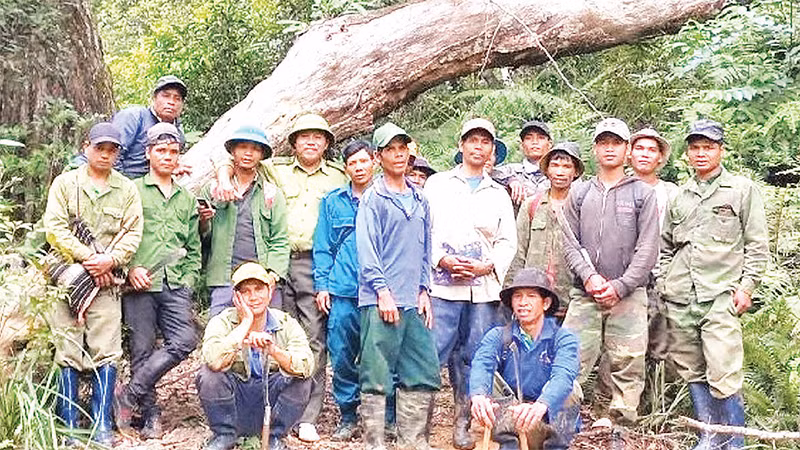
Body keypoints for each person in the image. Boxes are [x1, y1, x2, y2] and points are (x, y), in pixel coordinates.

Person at [213, 113, 346, 441]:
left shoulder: (338, 176)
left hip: (316, 261)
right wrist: (222, 174)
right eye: (304, 136)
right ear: (293, 143)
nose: (311, 142)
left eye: (318, 137)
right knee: (269, 329)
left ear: (327, 143)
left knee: (314, 336)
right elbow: (236, 160)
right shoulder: (276, 169)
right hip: (273, 264)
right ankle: (259, 410)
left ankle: (307, 415)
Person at [659, 120, 768, 449]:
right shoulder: (680, 195)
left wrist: (746, 287)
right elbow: (666, 246)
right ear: (688, 153)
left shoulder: (740, 190)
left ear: (721, 150)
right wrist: (665, 282)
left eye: (708, 147)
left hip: (720, 296)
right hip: (681, 298)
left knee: (724, 371)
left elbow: (757, 245)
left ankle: (734, 443)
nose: (701, 153)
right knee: (692, 370)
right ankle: (709, 438)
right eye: (695, 147)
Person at [44, 122, 143, 446]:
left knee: (107, 351)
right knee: (67, 349)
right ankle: (69, 427)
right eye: (100, 147)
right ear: (86, 147)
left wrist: (110, 261)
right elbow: (55, 229)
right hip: (67, 278)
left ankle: (102, 426)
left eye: (112, 149)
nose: (105, 154)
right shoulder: (65, 184)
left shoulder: (126, 189)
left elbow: (132, 233)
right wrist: (91, 258)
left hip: (106, 283)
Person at [424, 118, 516, 449]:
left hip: (484, 291)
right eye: (472, 140)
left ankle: (462, 422)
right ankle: (419, 427)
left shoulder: (499, 194)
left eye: (485, 142)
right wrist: (443, 260)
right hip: (443, 287)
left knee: (474, 355)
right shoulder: (437, 185)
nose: (478, 147)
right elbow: (425, 230)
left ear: (492, 150)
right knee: (432, 352)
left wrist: (487, 265)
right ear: (461, 145)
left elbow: (508, 241)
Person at [560, 118, 659, 424]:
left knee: (627, 364)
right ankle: (562, 422)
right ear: (595, 149)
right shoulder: (579, 193)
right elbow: (570, 243)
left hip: (628, 296)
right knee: (568, 358)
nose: (610, 148)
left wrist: (621, 286)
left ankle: (619, 426)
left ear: (627, 150)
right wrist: (590, 278)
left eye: (616, 143)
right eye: (604, 143)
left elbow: (648, 248)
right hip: (585, 294)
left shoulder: (642, 193)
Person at [114, 123, 202, 439]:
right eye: (161, 151)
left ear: (179, 156)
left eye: (173, 152)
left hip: (175, 282)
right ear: (148, 153)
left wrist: (189, 280)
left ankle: (129, 394)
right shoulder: (132, 191)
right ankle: (150, 415)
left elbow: (192, 247)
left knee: (185, 341)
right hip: (139, 285)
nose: (167, 156)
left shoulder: (186, 199)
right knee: (141, 350)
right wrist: (130, 269)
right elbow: (118, 236)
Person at [356, 122, 440, 450]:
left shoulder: (420, 199)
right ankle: (374, 443)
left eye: (402, 148)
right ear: (378, 157)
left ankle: (413, 442)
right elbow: (367, 250)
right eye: (390, 149)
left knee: (421, 369)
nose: (398, 155)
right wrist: (382, 292)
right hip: (381, 301)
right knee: (376, 374)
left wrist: (424, 290)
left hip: (413, 300)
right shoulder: (372, 199)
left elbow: (424, 248)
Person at [312, 140, 388, 440]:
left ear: (374, 162)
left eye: (363, 161)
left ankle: (385, 417)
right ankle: (347, 415)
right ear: (346, 168)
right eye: (352, 163)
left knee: (380, 354)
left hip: (379, 293)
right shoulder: (333, 201)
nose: (359, 167)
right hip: (343, 290)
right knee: (342, 354)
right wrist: (322, 286)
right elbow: (323, 247)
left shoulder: (388, 198)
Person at [195, 262, 314, 450]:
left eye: (259, 289)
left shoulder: (285, 323)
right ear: (236, 296)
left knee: (302, 380)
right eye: (246, 291)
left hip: (271, 402)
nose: (253, 297)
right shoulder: (222, 321)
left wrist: (274, 350)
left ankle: (275, 437)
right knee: (209, 375)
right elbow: (214, 360)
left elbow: (306, 365)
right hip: (235, 403)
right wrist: (245, 324)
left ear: (270, 291)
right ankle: (225, 435)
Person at [470, 268, 581, 450]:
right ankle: (508, 444)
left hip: (544, 417)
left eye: (531, 296)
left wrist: (541, 405)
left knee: (570, 391)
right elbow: (482, 364)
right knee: (487, 385)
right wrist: (478, 396)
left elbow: (564, 376)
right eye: (518, 297)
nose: (523, 303)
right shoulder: (498, 336)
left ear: (545, 303)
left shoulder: (563, 338)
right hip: (511, 415)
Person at [202, 125, 289, 317]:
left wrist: (273, 274)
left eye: (256, 149)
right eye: (242, 147)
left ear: (262, 155)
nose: (249, 154)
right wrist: (203, 221)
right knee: (220, 333)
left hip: (262, 279)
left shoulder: (271, 194)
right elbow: (202, 237)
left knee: (269, 333)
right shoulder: (213, 190)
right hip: (225, 279)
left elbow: (280, 239)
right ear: (233, 151)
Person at [504, 142, 584, 318]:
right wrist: (512, 293)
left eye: (567, 166)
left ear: (576, 171)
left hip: (572, 302)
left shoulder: (584, 207)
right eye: (555, 165)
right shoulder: (531, 205)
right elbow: (518, 253)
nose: (560, 172)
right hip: (534, 299)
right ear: (547, 170)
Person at [70, 75, 189, 179]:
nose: (171, 102)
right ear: (154, 98)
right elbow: (112, 153)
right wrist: (123, 188)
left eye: (177, 98)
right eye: (166, 96)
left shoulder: (177, 133)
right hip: (101, 173)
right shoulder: (134, 117)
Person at [628, 128, 678, 361]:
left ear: (660, 158)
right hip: (625, 279)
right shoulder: (617, 188)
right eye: (639, 148)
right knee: (625, 345)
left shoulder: (672, 194)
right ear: (629, 154)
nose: (645, 154)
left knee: (661, 346)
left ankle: (658, 396)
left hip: (661, 276)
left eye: (652, 150)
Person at [494, 120, 553, 206]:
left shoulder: (558, 172)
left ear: (550, 144)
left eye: (541, 138)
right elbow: (486, 172)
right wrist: (510, 180)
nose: (535, 142)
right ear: (521, 145)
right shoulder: (510, 170)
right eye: (529, 138)